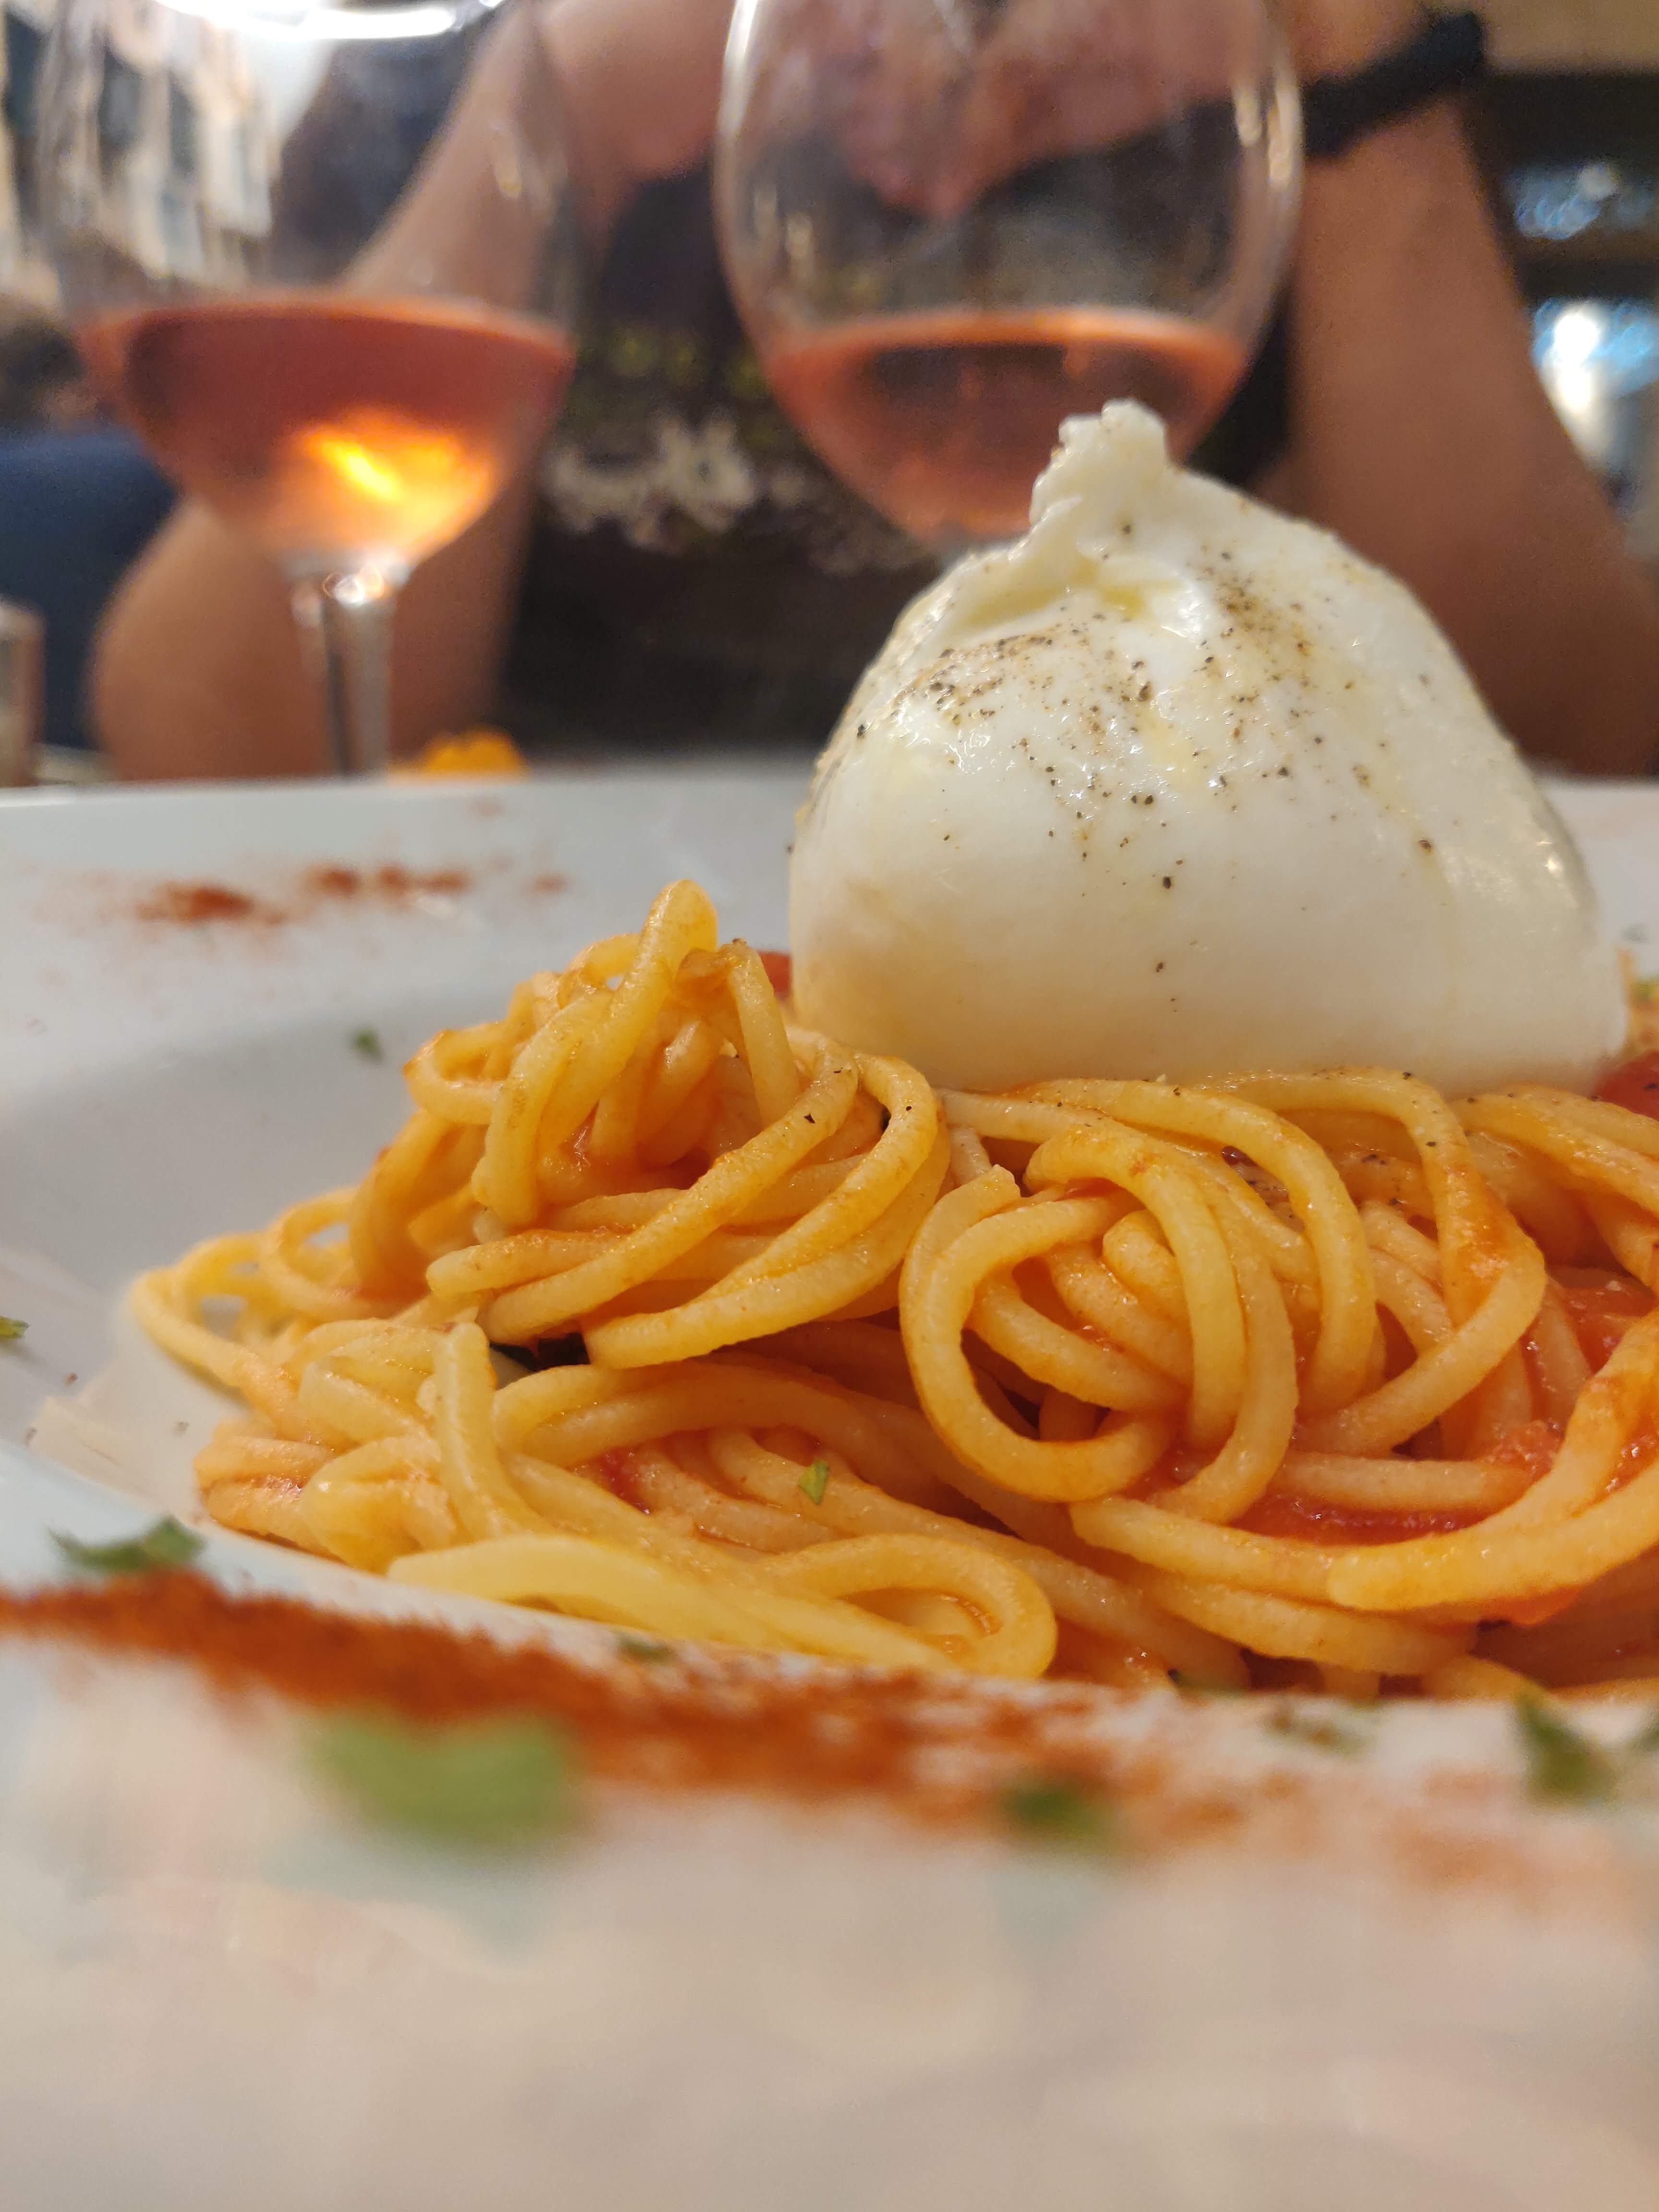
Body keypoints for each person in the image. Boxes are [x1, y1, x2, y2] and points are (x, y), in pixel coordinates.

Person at [92, 0, 1659, 780]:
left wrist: (1342, 49)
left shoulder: (1303, 121)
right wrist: (562, 102)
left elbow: (1570, 749)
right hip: (554, 978)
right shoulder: (437, 71)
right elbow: (207, 746)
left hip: (1149, 938)